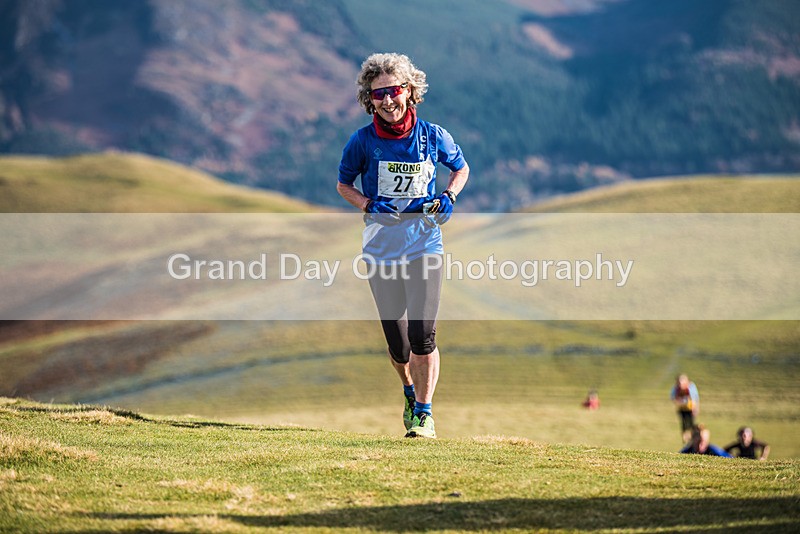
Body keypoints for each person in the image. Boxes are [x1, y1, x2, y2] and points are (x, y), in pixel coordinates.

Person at [337, 53, 469, 439]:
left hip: (425, 244)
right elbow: (343, 184)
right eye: (378, 95)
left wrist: (449, 196)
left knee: (422, 336)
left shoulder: (433, 136)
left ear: (410, 91)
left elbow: (461, 168)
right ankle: (409, 392)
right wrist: (367, 204)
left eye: (394, 91)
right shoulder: (361, 142)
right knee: (398, 346)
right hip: (380, 251)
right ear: (369, 99)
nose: (388, 101)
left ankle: (425, 414)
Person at [670, 373, 699, 442]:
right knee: (683, 423)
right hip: (681, 408)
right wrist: (678, 401)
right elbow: (673, 397)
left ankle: (692, 438)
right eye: (679, 381)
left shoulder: (691, 386)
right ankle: (685, 439)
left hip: (690, 408)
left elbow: (695, 398)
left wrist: (695, 408)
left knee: (691, 423)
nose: (681, 383)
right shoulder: (676, 388)